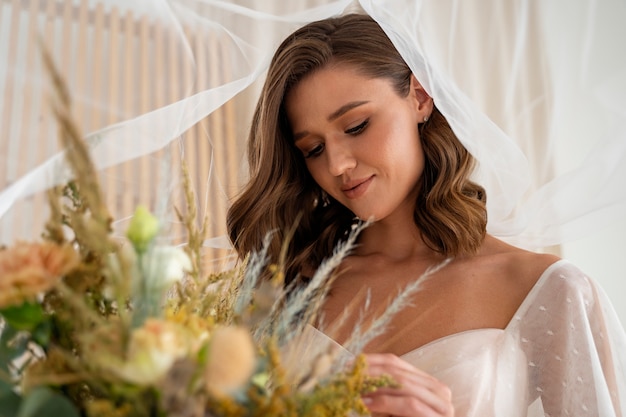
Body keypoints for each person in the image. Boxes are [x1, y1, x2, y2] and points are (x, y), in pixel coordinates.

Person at [226, 13, 626, 417]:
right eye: (313, 149)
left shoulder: (548, 290)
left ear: (419, 97)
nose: (336, 164)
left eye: (357, 125)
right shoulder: (284, 288)